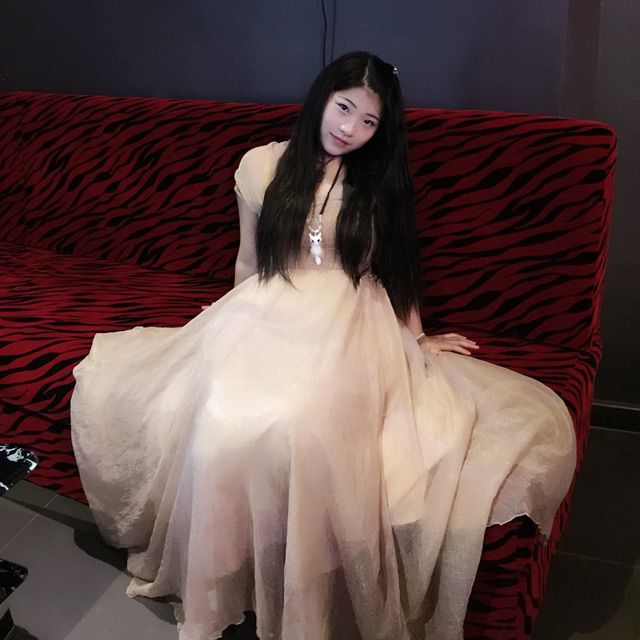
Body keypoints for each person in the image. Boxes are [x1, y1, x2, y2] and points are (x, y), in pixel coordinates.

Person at [70, 51, 576, 640]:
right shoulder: (260, 165)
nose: (350, 128)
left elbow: (395, 270)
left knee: (299, 423)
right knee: (220, 422)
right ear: (322, 97)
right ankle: (222, 576)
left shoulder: (376, 181)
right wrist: (225, 321)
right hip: (266, 304)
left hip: (351, 317)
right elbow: (249, 260)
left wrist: (417, 337)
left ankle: (300, 591)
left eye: (368, 121)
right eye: (344, 108)